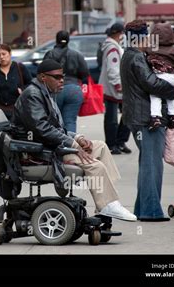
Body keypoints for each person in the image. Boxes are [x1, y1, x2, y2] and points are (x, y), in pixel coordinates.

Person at [13, 59, 136, 221]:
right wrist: (73, 144)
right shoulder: (33, 95)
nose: (62, 80)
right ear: (43, 77)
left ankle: (109, 200)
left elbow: (56, 129)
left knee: (100, 147)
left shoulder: (46, 93)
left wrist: (78, 137)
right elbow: (42, 129)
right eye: (57, 77)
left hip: (50, 145)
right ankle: (107, 203)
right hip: (39, 152)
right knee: (94, 165)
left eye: (62, 76)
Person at [120, 20, 174, 222]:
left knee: (148, 164)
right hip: (145, 118)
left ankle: (142, 208)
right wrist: (173, 89)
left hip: (137, 116)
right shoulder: (136, 57)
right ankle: (151, 211)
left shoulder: (130, 55)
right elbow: (151, 83)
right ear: (140, 38)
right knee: (152, 165)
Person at [43, 30, 89, 133]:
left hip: (55, 90)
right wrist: (84, 91)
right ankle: (70, 145)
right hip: (74, 89)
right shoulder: (77, 54)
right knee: (70, 121)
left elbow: (42, 73)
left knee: (54, 121)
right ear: (68, 40)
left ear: (56, 40)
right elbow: (85, 75)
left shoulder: (49, 54)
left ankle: (58, 144)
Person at [99, 23, 131, 154]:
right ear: (118, 33)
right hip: (113, 88)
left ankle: (119, 142)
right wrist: (119, 85)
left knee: (125, 116)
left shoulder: (113, 46)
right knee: (112, 119)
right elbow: (113, 69)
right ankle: (112, 144)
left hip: (114, 87)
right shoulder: (112, 48)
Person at [145, 23, 174, 130]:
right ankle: (173, 116)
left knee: (155, 96)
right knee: (170, 97)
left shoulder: (151, 49)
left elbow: (146, 60)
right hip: (171, 76)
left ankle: (156, 117)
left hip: (158, 75)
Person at [0, 44, 31, 120]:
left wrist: (23, 89)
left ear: (10, 53)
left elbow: (31, 84)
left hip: (18, 109)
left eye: (4, 54)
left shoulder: (19, 68)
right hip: (0, 111)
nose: (1, 57)